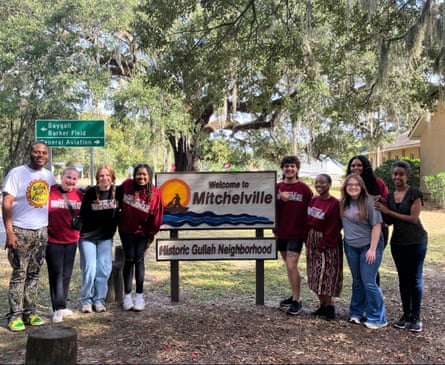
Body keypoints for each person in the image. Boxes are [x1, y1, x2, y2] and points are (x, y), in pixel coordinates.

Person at [1, 141, 56, 331]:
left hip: (41, 231)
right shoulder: (16, 173)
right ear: (30, 153)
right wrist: (9, 232)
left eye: (44, 153)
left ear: (47, 156)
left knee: (34, 274)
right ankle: (14, 315)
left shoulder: (49, 176)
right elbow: (7, 202)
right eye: (36, 152)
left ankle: (29, 312)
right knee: (19, 274)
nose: (40, 155)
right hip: (20, 231)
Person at [375, 160, 427, 332]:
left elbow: (413, 219)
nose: (397, 177)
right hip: (398, 242)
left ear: (407, 175)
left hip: (416, 241)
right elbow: (389, 222)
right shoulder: (390, 196)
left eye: (401, 174)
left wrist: (388, 211)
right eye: (395, 174)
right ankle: (406, 315)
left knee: (415, 279)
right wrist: (380, 209)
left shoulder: (414, 193)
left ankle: (416, 317)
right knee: (403, 279)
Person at [340, 173, 387, 329]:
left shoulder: (369, 202)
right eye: (350, 185)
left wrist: (373, 249)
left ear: (361, 187)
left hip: (369, 246)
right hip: (350, 246)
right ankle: (356, 313)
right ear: (345, 188)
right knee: (357, 282)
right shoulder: (343, 203)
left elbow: (377, 226)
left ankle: (378, 318)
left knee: (369, 282)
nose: (353, 187)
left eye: (356, 185)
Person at [116, 164, 164, 311]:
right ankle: (127, 296)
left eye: (144, 175)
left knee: (139, 259)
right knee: (129, 259)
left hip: (143, 232)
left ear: (149, 176)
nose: (141, 177)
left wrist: (150, 236)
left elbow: (157, 216)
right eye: (138, 174)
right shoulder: (126, 185)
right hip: (125, 230)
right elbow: (115, 199)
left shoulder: (155, 194)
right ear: (134, 175)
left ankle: (140, 296)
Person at [275, 155, 313, 315]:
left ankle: (297, 300)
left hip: (297, 233)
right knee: (290, 267)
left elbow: (312, 209)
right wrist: (278, 193)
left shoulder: (304, 189)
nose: (289, 169)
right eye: (286, 166)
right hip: (281, 232)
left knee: (291, 265)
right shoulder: (277, 187)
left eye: (292, 166)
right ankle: (294, 295)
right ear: (282, 169)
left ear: (297, 169)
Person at [79, 165, 119, 313]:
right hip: (87, 237)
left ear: (112, 177)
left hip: (105, 237)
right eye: (101, 176)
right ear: (97, 178)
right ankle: (86, 300)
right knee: (90, 268)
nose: (104, 178)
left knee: (104, 269)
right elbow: (82, 214)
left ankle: (99, 300)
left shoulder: (117, 192)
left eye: (107, 175)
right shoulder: (90, 193)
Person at [46, 167, 83, 323]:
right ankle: (57, 308)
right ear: (61, 177)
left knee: (66, 274)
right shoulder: (50, 191)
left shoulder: (80, 195)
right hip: (53, 240)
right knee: (56, 274)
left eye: (74, 179)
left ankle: (61, 305)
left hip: (71, 240)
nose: (71, 181)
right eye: (68, 177)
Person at [346, 155, 389, 286]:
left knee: (371, 267)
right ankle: (363, 302)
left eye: (359, 165)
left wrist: (381, 201)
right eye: (353, 165)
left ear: (365, 166)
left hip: (377, 229)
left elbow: (388, 201)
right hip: (356, 232)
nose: (356, 168)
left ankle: (373, 298)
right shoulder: (349, 184)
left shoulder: (377, 183)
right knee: (359, 273)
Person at [306, 174, 343, 321]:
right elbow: (308, 221)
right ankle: (322, 305)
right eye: (316, 183)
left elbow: (333, 228)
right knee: (314, 275)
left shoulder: (334, 204)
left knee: (325, 276)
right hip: (312, 239)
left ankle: (330, 307)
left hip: (327, 243)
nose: (319, 185)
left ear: (329, 184)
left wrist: (321, 247)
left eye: (322, 182)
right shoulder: (313, 201)